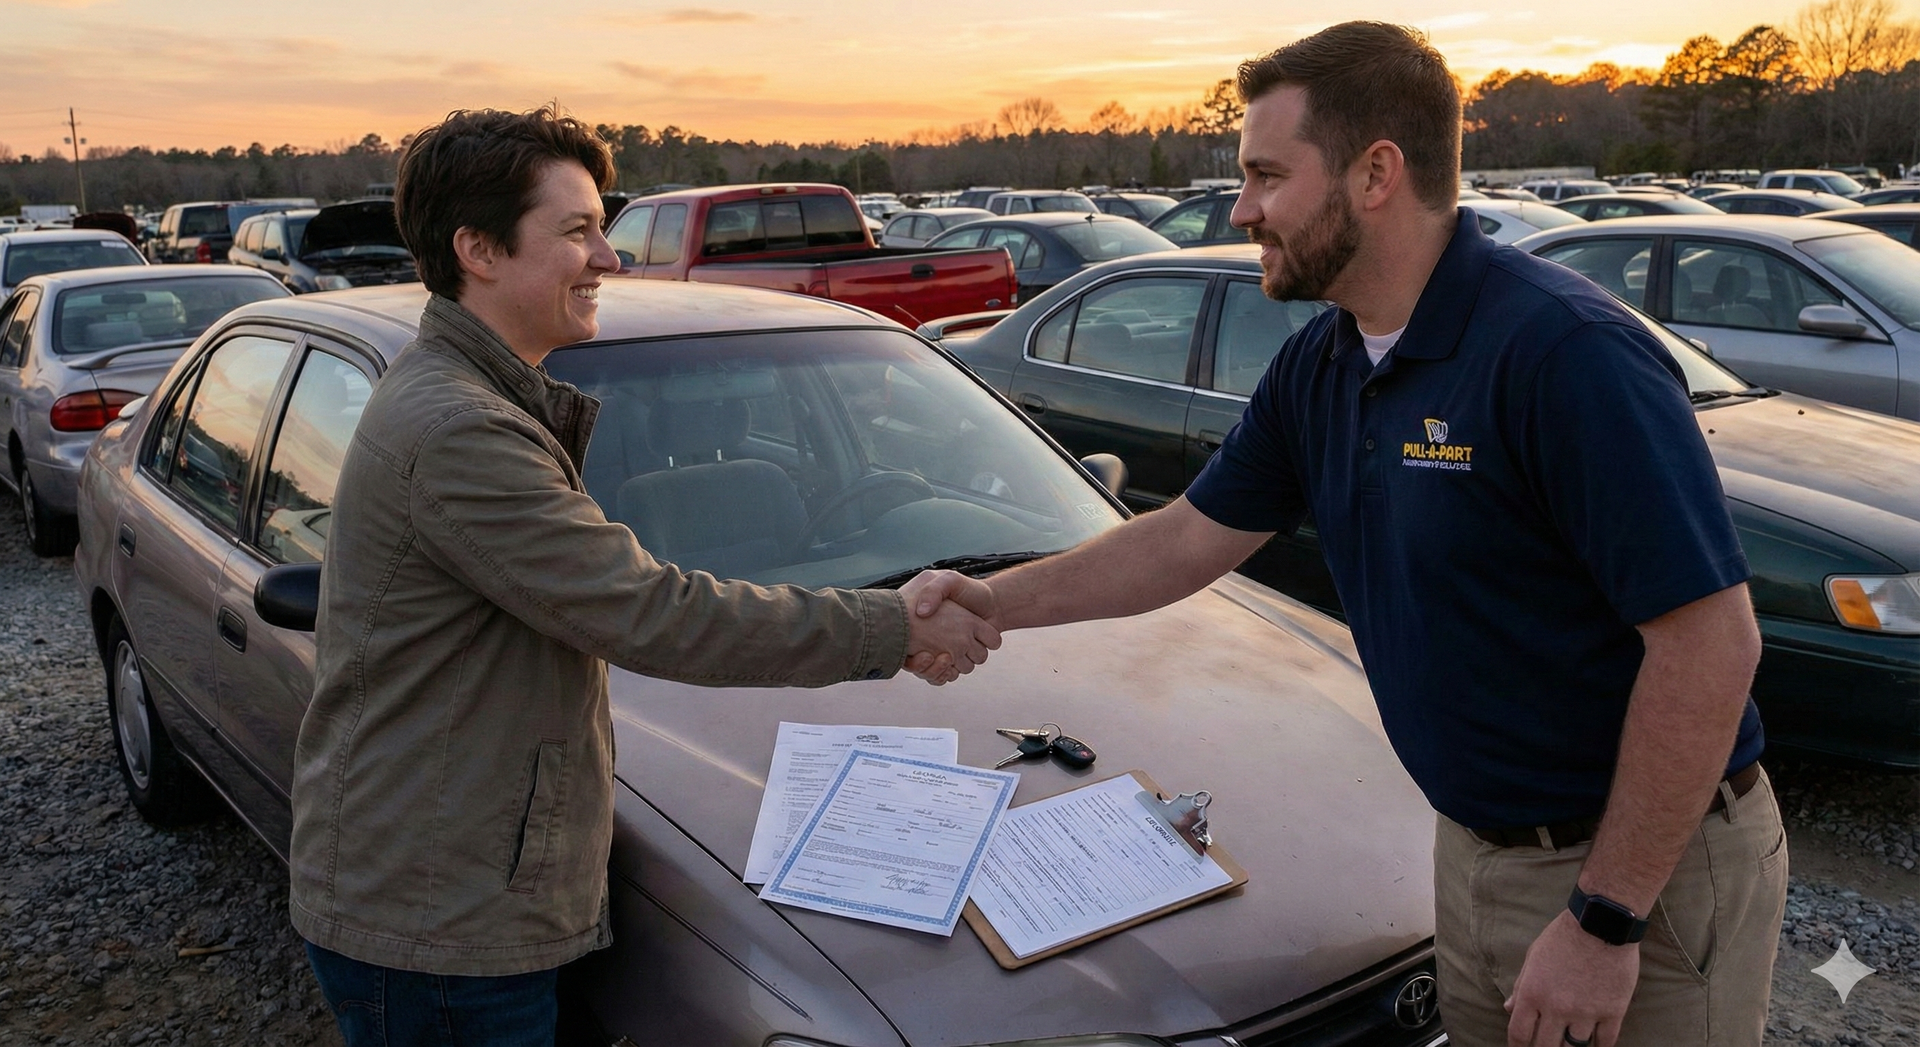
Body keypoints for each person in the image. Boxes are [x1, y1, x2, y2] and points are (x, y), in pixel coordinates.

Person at [911, 22, 1785, 1047]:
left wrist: (1605, 917)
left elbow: (1710, 645)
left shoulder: (1562, 355)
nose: (1241, 211)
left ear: (1376, 174)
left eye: (1266, 177)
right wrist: (994, 602)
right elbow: (1185, 538)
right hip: (1470, 854)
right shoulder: (1322, 365)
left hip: (1642, 877)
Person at [288, 107, 998, 1047]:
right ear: (479, 250)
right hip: (440, 928)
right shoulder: (460, 428)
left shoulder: (474, 395)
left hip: (457, 893)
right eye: (577, 232)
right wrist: (891, 626)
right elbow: (649, 611)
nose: (608, 259)